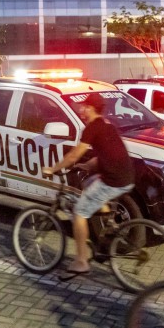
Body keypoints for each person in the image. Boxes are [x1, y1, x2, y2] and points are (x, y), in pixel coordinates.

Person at [43, 93, 135, 280]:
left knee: (79, 213)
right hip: (126, 177)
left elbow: (74, 155)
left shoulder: (92, 128)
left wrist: (53, 169)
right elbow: (104, 155)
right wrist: (87, 166)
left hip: (113, 181)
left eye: (84, 106)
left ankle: (81, 262)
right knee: (88, 183)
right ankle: (104, 215)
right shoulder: (107, 125)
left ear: (91, 108)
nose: (81, 109)